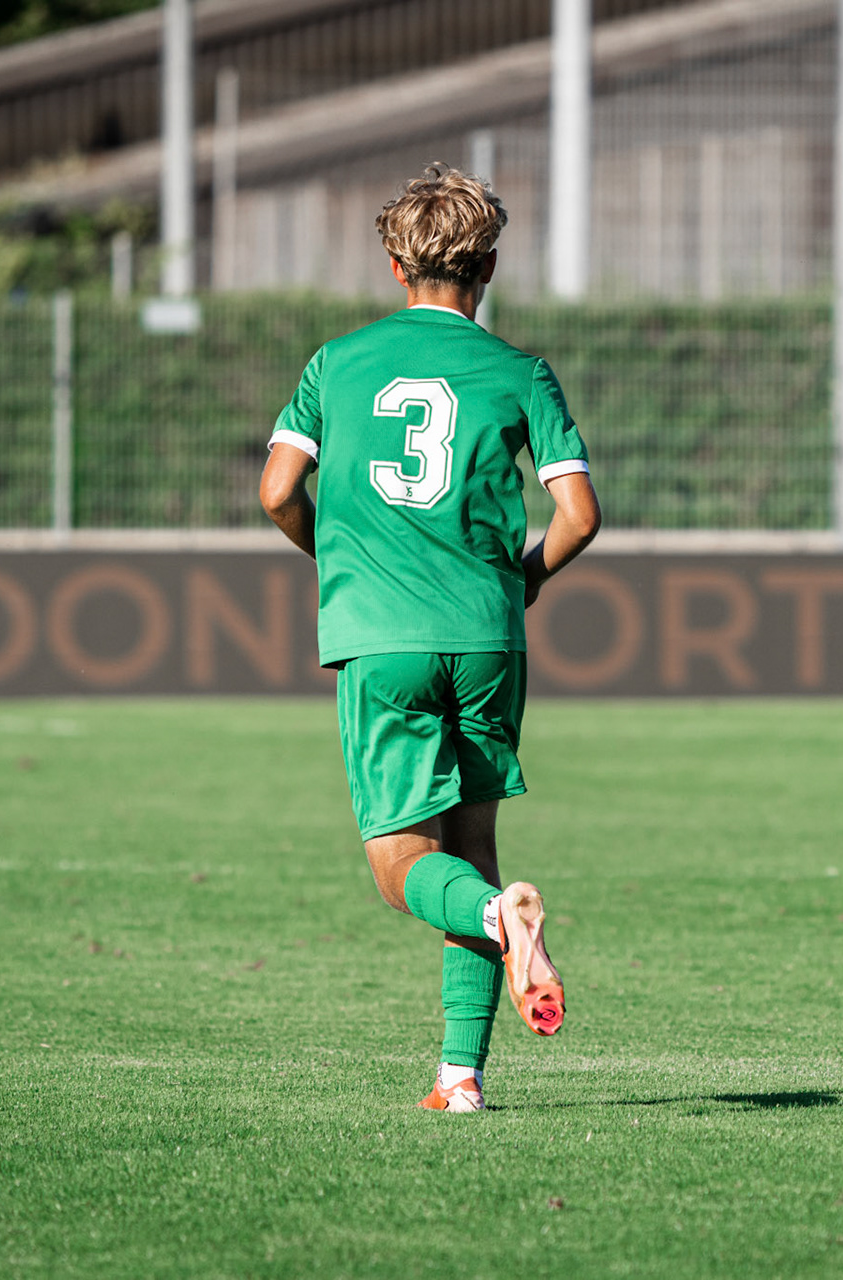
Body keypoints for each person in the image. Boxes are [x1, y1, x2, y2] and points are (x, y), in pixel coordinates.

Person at [259, 163, 602, 1112]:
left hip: (383, 636)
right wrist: (517, 586)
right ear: (486, 265)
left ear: (393, 261)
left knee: (404, 867)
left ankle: (498, 921)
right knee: (473, 844)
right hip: (489, 638)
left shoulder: (339, 362)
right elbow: (577, 513)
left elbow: (279, 492)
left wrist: (335, 560)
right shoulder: (519, 372)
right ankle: (459, 1079)